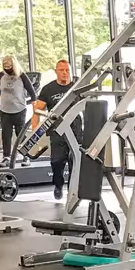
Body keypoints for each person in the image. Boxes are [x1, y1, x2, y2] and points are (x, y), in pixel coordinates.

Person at [33, 60, 81, 199]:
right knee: (57, 162)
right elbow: (37, 110)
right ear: (56, 71)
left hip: (75, 130)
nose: (65, 73)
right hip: (57, 131)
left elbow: (88, 105)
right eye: (61, 70)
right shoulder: (48, 89)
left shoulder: (77, 88)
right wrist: (35, 131)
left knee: (75, 160)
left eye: (67, 70)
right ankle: (58, 184)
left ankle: (72, 190)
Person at [0, 56, 36, 168]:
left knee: (21, 134)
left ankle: (26, 156)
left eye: (9, 66)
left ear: (14, 66)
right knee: (6, 135)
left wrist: (34, 105)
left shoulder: (22, 76)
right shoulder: (1, 75)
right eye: (5, 66)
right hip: (5, 110)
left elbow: (32, 92)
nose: (8, 68)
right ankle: (6, 157)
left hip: (19, 110)